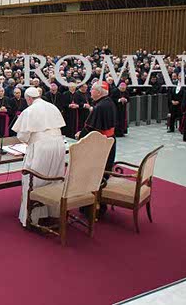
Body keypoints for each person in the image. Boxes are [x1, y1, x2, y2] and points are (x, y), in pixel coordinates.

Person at [11, 87, 66, 227]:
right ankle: (52, 213)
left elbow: (22, 136)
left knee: (34, 179)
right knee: (54, 177)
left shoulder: (29, 111)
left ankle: (32, 218)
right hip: (59, 145)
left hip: (41, 147)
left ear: (29, 99)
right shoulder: (52, 106)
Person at [76, 82, 117, 175]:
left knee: (98, 170)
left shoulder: (100, 107)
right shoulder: (109, 101)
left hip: (101, 142)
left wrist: (80, 135)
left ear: (99, 92)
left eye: (92, 89)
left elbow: (90, 128)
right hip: (110, 139)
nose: (90, 91)